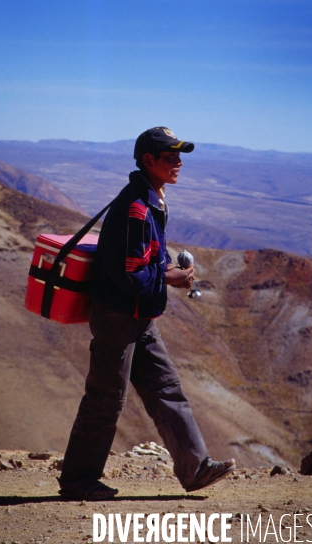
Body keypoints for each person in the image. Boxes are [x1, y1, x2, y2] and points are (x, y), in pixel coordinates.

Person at [58, 127, 236, 500]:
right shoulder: (137, 206)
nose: (179, 162)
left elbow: (142, 260)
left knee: (166, 388)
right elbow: (129, 272)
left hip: (139, 315)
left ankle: (195, 467)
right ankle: (77, 479)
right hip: (118, 316)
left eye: (179, 155)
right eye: (170, 156)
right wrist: (168, 276)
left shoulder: (153, 199)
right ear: (148, 161)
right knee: (106, 397)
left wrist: (165, 268)